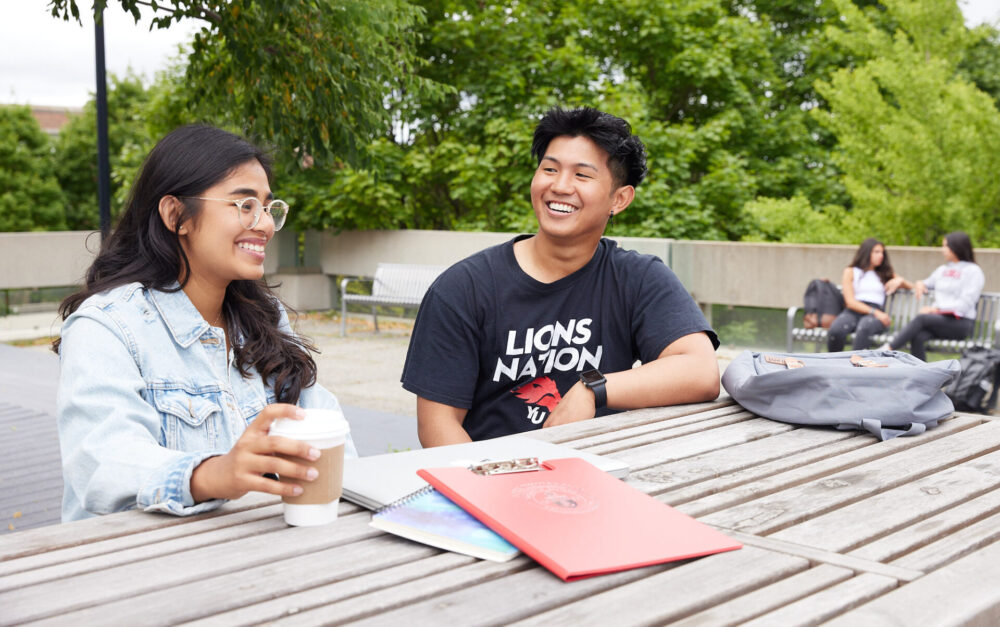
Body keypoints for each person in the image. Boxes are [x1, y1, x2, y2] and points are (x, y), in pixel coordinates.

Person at [55, 124, 357, 521]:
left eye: (268, 207)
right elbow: (102, 464)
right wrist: (213, 474)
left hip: (256, 559)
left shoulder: (265, 318)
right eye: (244, 205)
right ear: (176, 215)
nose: (265, 225)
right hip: (136, 567)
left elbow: (331, 434)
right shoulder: (106, 326)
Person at [401, 106, 720, 447]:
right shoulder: (463, 289)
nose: (560, 185)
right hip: (492, 479)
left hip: (599, 474)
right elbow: (438, 427)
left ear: (620, 199)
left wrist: (592, 389)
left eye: (582, 175)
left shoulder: (637, 277)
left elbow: (701, 371)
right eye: (549, 169)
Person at [883, 231, 985, 361]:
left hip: (961, 323)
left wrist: (935, 310)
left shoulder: (973, 271)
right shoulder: (943, 270)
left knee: (922, 319)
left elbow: (965, 305)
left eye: (945, 246)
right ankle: (922, 374)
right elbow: (926, 283)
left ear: (957, 247)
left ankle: (888, 349)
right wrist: (920, 283)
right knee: (918, 336)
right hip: (939, 321)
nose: (943, 250)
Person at [826, 238, 910, 352]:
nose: (881, 256)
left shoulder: (884, 274)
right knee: (836, 330)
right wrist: (875, 313)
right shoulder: (851, 271)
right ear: (866, 252)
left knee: (864, 327)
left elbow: (913, 287)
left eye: (882, 252)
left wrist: (900, 280)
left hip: (875, 316)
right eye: (876, 252)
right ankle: (833, 364)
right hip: (856, 311)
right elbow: (850, 302)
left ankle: (857, 366)